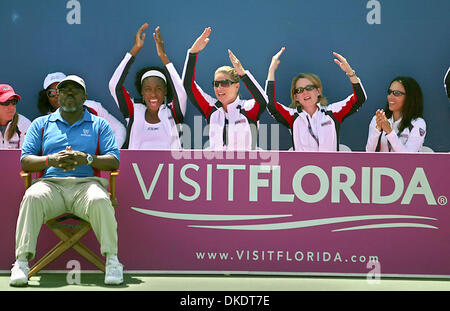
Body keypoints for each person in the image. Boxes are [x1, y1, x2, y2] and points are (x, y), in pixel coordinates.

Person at [10, 75, 123, 286]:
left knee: (100, 199)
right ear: (58, 96)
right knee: (32, 197)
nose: (69, 93)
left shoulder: (100, 124)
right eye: (64, 90)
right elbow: (26, 161)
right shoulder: (41, 124)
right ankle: (21, 262)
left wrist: (87, 158)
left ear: (84, 97)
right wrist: (51, 160)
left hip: (86, 186)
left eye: (75, 90)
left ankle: (112, 261)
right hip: (51, 186)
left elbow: (113, 162)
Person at [265, 47, 367, 151]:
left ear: (318, 91)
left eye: (309, 88)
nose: (305, 92)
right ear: (295, 97)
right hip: (301, 167)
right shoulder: (292, 116)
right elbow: (271, 105)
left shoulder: (333, 112)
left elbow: (359, 99)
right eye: (299, 90)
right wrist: (271, 71)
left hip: (329, 166)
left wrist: (350, 73)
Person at [183, 27, 268, 150]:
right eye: (216, 84)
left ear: (237, 86)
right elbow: (188, 85)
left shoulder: (248, 108)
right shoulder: (210, 108)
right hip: (215, 168)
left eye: (225, 83)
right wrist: (193, 53)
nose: (219, 88)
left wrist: (243, 74)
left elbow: (263, 101)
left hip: (246, 168)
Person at [109, 23, 187, 149]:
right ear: (142, 92)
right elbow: (114, 85)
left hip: (171, 169)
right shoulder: (133, 111)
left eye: (159, 89)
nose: (153, 94)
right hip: (135, 169)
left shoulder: (173, 113)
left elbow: (181, 93)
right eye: (148, 89)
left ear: (166, 91)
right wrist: (135, 49)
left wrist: (163, 56)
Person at [38, 72, 127, 148]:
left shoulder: (92, 107)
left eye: (61, 90)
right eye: (52, 93)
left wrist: (109, 153)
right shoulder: (44, 122)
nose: (57, 95)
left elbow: (119, 129)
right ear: (46, 96)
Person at [366, 76, 426, 152]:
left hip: (405, 164)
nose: (390, 97)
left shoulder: (418, 123)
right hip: (380, 164)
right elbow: (369, 153)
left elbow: (408, 157)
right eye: (389, 92)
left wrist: (389, 132)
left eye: (396, 93)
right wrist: (378, 129)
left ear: (409, 97)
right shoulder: (377, 119)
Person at [0, 84, 31, 149]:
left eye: (14, 102)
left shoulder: (25, 124)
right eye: (6, 102)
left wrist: (12, 156)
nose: (11, 107)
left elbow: (27, 155)